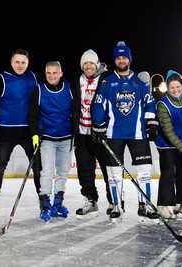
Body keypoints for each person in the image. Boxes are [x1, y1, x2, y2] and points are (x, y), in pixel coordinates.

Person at [91, 41, 159, 222]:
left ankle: (145, 206)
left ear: (129, 59)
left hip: (138, 133)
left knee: (144, 171)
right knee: (113, 173)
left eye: (124, 57)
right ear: (115, 60)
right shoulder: (107, 81)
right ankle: (117, 205)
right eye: (118, 58)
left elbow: (149, 101)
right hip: (113, 134)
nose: (121, 60)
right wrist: (98, 125)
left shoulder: (140, 81)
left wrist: (151, 121)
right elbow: (98, 104)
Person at [0, 49, 41, 220]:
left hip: (29, 132)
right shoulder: (1, 79)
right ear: (11, 62)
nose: (20, 65)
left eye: (23, 62)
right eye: (17, 62)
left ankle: (43, 199)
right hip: (6, 131)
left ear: (27, 63)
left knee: (38, 167)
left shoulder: (34, 77)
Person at [28, 61, 73, 222]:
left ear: (61, 74)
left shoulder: (69, 88)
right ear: (45, 74)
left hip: (66, 137)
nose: (52, 76)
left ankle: (58, 202)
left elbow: (76, 110)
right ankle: (44, 203)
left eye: (55, 73)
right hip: (47, 138)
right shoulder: (39, 90)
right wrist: (34, 135)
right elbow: (32, 115)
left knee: (63, 171)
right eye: (49, 73)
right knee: (46, 171)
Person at [71, 49, 113, 219]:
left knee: (109, 169)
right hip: (82, 134)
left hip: (102, 133)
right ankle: (91, 200)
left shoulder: (106, 80)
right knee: (84, 171)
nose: (88, 66)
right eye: (85, 63)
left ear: (97, 64)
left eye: (91, 63)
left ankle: (114, 201)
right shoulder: (76, 81)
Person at [154, 70, 182, 219]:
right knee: (169, 171)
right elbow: (168, 132)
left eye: (178, 87)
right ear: (168, 89)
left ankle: (180, 204)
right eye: (172, 88)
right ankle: (162, 205)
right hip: (165, 142)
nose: (176, 91)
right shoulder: (163, 105)